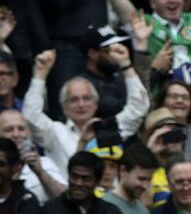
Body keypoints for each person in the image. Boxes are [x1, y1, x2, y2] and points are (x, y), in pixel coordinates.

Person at [22, 48, 150, 178]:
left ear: (95, 104)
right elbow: (30, 116)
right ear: (64, 107)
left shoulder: (107, 129)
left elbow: (139, 108)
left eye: (86, 98)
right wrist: (40, 74)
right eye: (74, 100)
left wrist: (126, 66)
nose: (81, 105)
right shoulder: (55, 132)